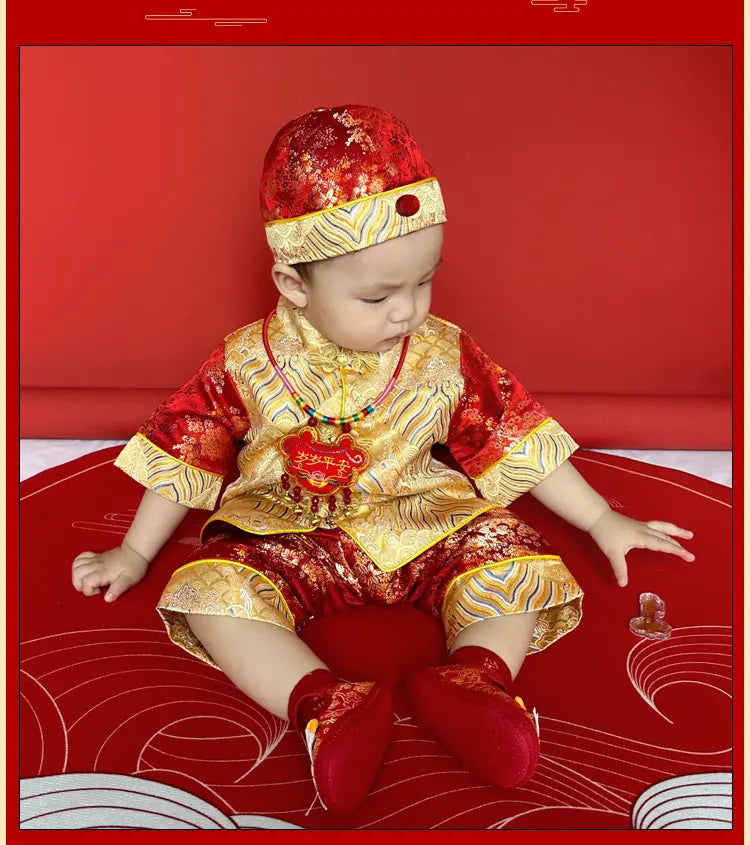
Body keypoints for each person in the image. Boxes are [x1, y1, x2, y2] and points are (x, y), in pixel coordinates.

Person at [71, 105, 694, 815]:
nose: (408, 311)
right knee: (210, 591)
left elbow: (511, 433)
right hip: (290, 529)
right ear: (294, 284)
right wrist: (131, 550)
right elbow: (191, 446)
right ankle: (323, 705)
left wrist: (604, 518)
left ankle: (477, 682)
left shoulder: (441, 351)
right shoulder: (246, 359)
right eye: (378, 295)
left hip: (424, 517)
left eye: (424, 282)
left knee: (515, 560)